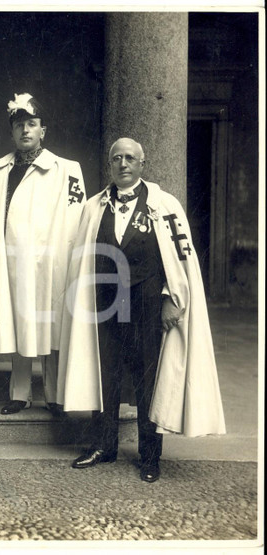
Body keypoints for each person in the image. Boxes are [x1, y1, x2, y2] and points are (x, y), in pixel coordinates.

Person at [58, 137, 226, 483]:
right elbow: (82, 258)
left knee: (148, 379)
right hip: (104, 304)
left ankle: (150, 456)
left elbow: (178, 260)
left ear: (142, 164)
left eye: (130, 158)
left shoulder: (164, 206)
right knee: (105, 374)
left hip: (147, 302)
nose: (123, 164)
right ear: (110, 165)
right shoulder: (93, 207)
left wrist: (170, 299)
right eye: (117, 158)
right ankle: (105, 446)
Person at [0, 93, 86, 416]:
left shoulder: (65, 170)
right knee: (17, 324)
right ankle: (20, 391)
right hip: (8, 260)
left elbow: (74, 221)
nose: (25, 131)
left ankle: (54, 394)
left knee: (49, 326)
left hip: (48, 262)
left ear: (44, 130)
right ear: (11, 132)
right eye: (19, 126)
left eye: (32, 124)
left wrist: (66, 264)